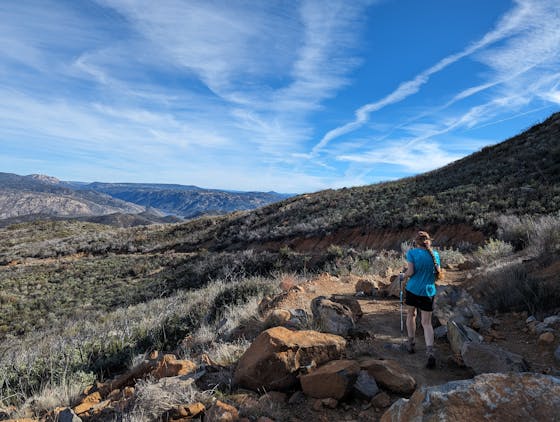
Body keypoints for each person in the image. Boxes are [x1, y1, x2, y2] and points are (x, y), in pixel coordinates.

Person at [401, 230, 441, 369]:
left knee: (411, 315)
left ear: (416, 242)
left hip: (413, 289)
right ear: (428, 241)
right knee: (427, 323)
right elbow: (437, 274)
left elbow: (410, 272)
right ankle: (430, 353)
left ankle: (410, 344)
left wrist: (403, 276)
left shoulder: (412, 253)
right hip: (428, 291)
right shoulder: (435, 255)